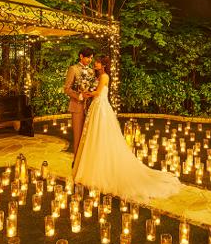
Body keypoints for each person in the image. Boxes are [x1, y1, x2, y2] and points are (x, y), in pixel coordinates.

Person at [73, 55, 181, 201]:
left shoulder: (104, 76)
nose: (95, 64)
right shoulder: (97, 76)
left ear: (103, 65)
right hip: (96, 107)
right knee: (94, 136)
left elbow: (98, 93)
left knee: (101, 135)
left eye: (97, 62)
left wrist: (87, 93)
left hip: (101, 107)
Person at [63, 47, 95, 160]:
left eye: (91, 58)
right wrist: (79, 96)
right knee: (77, 135)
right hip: (77, 106)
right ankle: (76, 161)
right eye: (88, 57)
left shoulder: (91, 71)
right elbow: (66, 88)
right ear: (81, 56)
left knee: (88, 135)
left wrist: (91, 94)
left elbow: (93, 87)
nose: (90, 60)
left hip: (90, 106)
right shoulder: (73, 69)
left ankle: (85, 161)